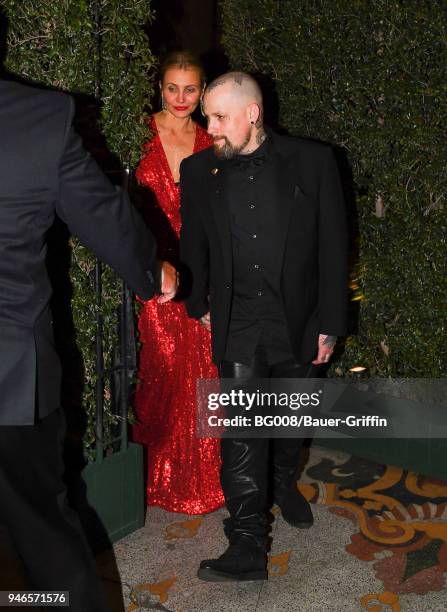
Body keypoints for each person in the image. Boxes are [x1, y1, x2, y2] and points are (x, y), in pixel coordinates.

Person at [0, 77, 177, 610]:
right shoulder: (37, 116)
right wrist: (154, 272)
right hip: (9, 378)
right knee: (42, 528)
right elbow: (106, 216)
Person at [180, 72, 348, 581]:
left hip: (298, 319)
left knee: (290, 422)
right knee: (243, 431)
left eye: (219, 117)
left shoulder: (314, 162)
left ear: (251, 114)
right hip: (240, 322)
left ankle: (283, 483)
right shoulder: (198, 170)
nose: (210, 127)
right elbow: (195, 246)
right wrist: (199, 299)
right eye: (208, 117)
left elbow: (334, 248)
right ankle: (248, 542)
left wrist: (330, 323)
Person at [132, 51, 224, 514]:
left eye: (190, 89)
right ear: (160, 88)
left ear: (203, 90)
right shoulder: (137, 135)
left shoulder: (212, 140)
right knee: (159, 371)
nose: (181, 98)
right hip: (149, 270)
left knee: (204, 372)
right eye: (172, 88)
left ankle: (204, 481)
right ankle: (152, 475)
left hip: (200, 271)